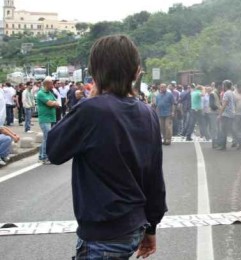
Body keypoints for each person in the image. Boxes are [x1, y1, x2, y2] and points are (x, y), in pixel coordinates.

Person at [47, 35, 167, 259]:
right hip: (134, 226)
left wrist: (88, 101)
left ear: (93, 73)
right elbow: (154, 179)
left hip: (103, 234)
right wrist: (151, 227)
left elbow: (54, 150)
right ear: (135, 72)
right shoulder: (148, 113)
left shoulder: (91, 110)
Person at [37, 76, 59, 164]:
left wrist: (54, 103)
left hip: (51, 117)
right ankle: (44, 157)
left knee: (46, 138)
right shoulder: (41, 93)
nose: (53, 85)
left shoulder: (50, 92)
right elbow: (50, 103)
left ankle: (41, 155)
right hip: (44, 118)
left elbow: (56, 102)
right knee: (48, 138)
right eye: (52, 84)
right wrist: (53, 103)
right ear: (47, 84)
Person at [217, 80, 238, 150]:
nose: (222, 86)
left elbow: (224, 105)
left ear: (225, 86)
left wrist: (220, 114)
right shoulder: (232, 93)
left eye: (223, 85)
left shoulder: (226, 93)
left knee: (223, 130)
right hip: (232, 113)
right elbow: (235, 103)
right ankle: (240, 140)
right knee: (231, 129)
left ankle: (223, 146)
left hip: (226, 114)